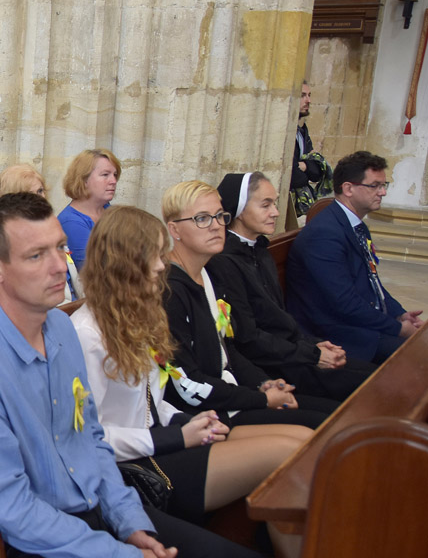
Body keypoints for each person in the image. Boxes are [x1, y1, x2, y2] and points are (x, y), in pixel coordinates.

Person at [0, 192, 274, 558]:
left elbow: (91, 440)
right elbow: (10, 506)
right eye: (36, 255)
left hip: (99, 510)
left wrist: (131, 524)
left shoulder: (58, 327)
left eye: (60, 247)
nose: (59, 266)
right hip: (38, 549)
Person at [72, 206, 311, 534]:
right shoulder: (86, 334)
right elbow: (90, 438)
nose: (162, 265)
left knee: (305, 441)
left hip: (162, 440)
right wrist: (175, 436)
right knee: (291, 452)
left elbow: (148, 403)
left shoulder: (134, 315)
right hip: (133, 467)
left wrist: (187, 421)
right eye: (153, 255)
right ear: (123, 262)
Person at [161, 181, 337, 428]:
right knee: (323, 425)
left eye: (219, 216)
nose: (216, 226)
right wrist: (262, 399)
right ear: (174, 229)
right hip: (204, 415)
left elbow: (227, 348)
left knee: (336, 415)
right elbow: (188, 383)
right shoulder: (170, 290)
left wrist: (263, 383)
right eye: (202, 218)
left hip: (232, 391)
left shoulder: (208, 273)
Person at [207, 172, 372, 400]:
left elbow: (279, 319)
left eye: (274, 204)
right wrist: (312, 354)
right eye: (266, 205)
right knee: (374, 388)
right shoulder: (225, 262)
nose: (275, 212)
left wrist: (313, 345)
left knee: (380, 377)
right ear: (240, 210)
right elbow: (249, 338)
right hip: (273, 366)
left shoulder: (259, 250)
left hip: (292, 352)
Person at [286, 151, 424, 364]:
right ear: (348, 188)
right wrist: (398, 329)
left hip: (357, 324)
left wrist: (399, 314)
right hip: (337, 334)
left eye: (384, 185)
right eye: (375, 186)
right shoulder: (325, 234)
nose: (383, 192)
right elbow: (343, 302)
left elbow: (371, 281)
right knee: (420, 357)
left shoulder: (354, 225)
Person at [1, 163, 82, 300]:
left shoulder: (51, 227)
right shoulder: (10, 239)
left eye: (40, 191)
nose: (39, 198)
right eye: (29, 194)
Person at [57, 148, 120, 270]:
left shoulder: (109, 210)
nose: (113, 181)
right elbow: (94, 270)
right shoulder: (71, 222)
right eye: (105, 175)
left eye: (115, 175)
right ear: (84, 180)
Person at [290, 81, 333, 220]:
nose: (308, 100)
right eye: (302, 95)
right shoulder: (285, 131)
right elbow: (294, 176)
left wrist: (305, 166)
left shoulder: (302, 131)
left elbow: (317, 171)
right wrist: (304, 171)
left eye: (309, 95)